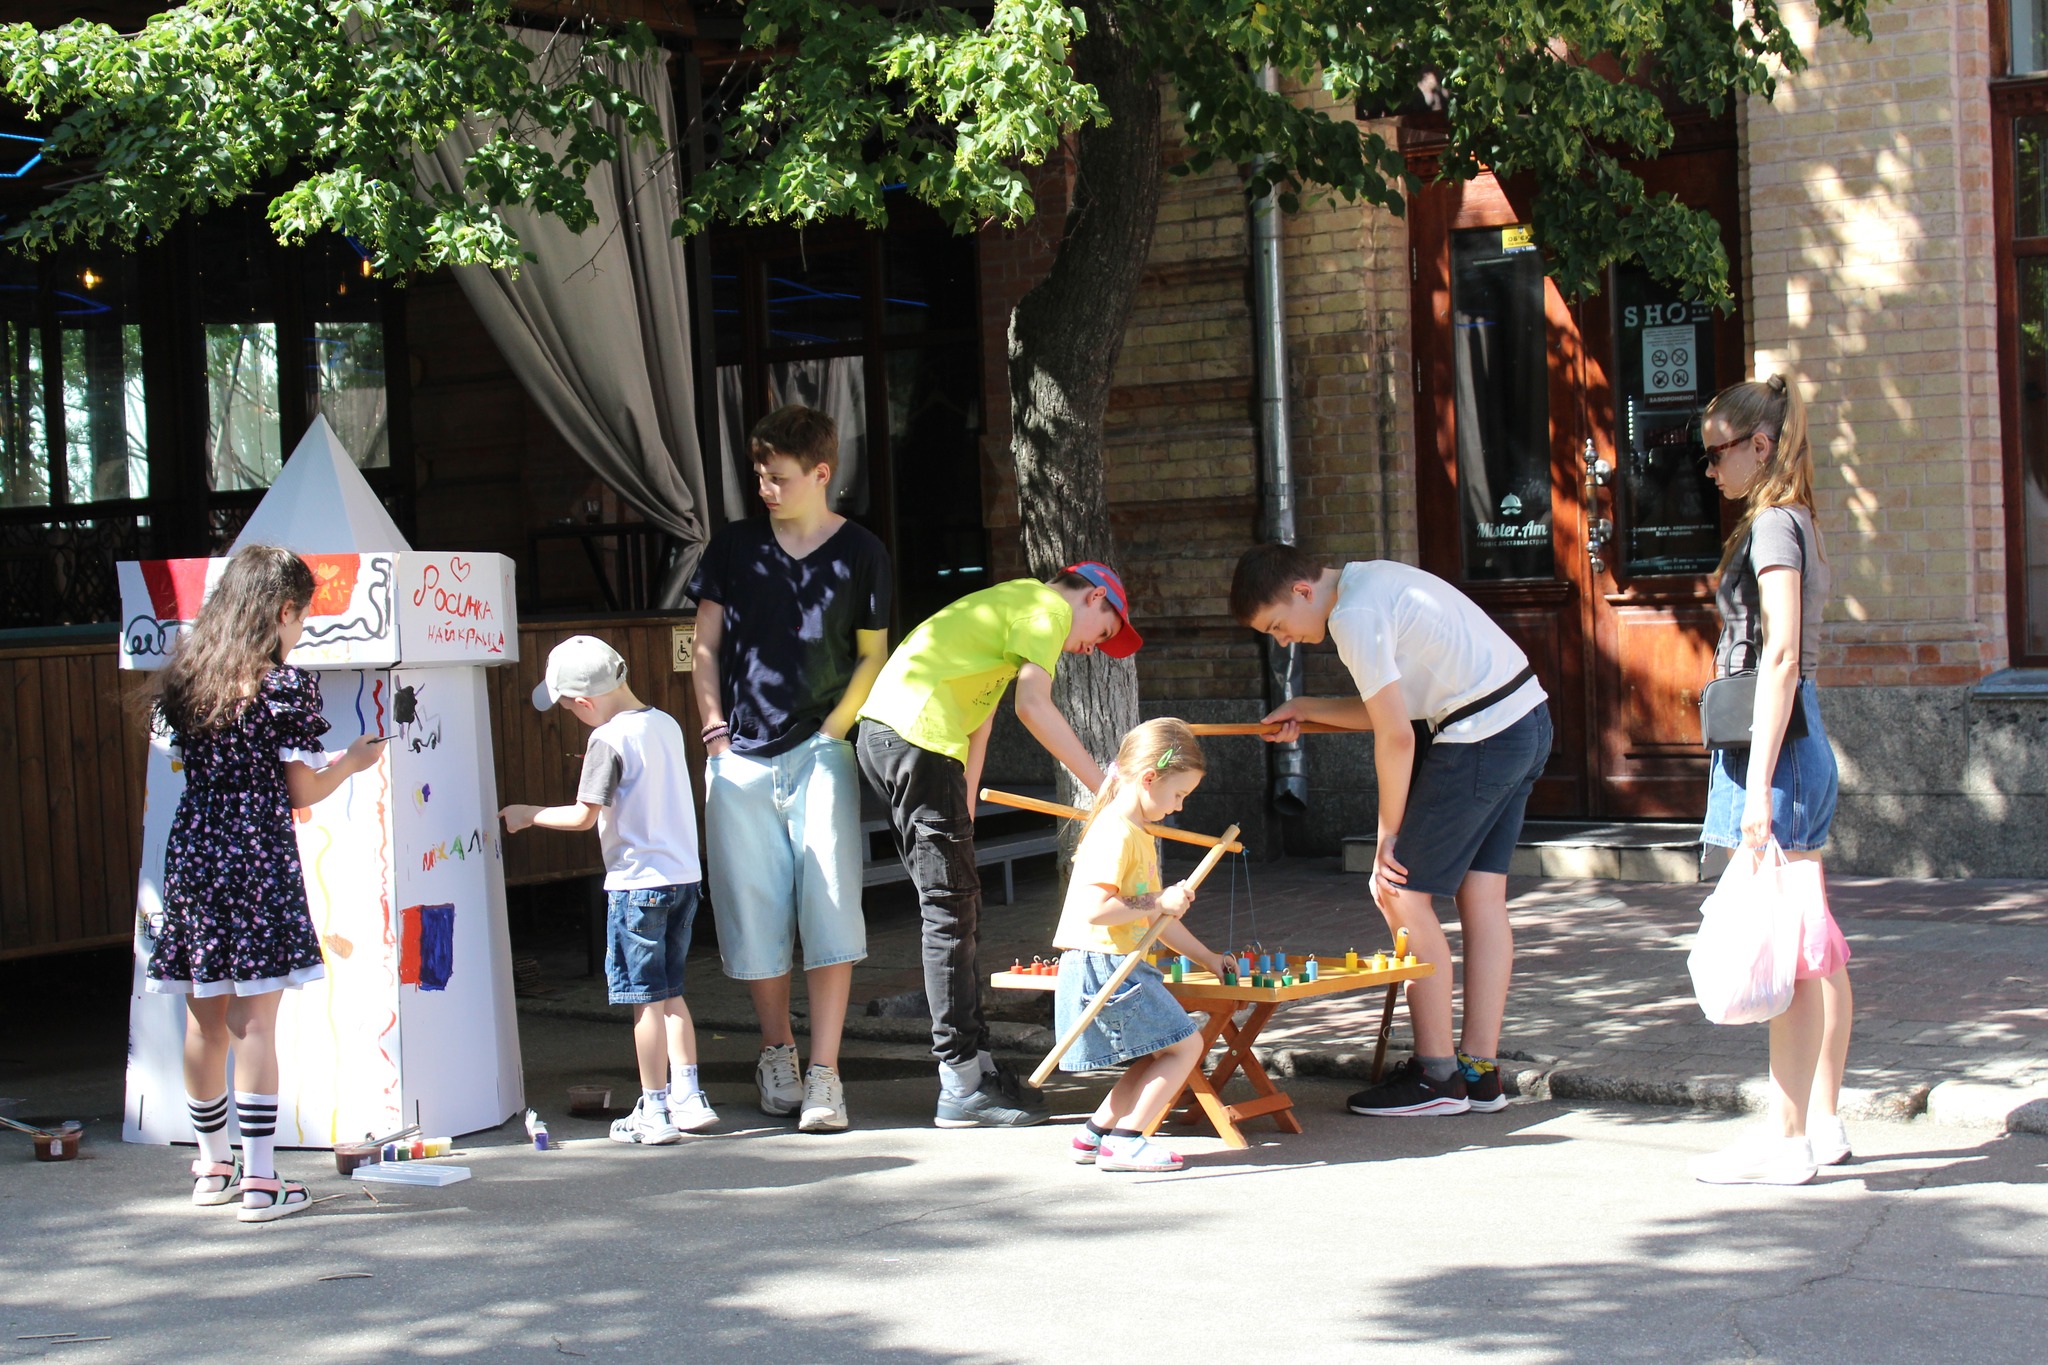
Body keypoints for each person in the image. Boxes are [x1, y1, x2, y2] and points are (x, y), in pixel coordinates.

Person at [1230, 543, 1552, 1118]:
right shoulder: (1371, 580)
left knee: (1397, 890)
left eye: (1279, 625)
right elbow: (1394, 713)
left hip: (1478, 735)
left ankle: (1435, 1077)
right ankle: (1479, 1074)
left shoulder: (1352, 616)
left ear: (1303, 591)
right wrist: (1309, 707)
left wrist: (1387, 837)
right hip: (1524, 721)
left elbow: (1397, 738)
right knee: (1481, 895)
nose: (1283, 640)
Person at [857, 563, 1142, 1128]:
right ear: (1093, 598)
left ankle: (976, 1066)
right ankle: (961, 1083)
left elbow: (979, 725)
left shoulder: (1008, 612)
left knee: (959, 907)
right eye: (1103, 632)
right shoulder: (1047, 608)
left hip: (893, 739)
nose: (1089, 649)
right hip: (917, 741)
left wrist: (962, 812)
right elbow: (1032, 707)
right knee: (949, 917)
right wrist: (1101, 787)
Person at [147, 544, 384, 1222]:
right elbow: (301, 786)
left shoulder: (187, 679)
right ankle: (260, 1179)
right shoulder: (283, 685)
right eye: (301, 619)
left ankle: (211, 1163)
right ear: (282, 611)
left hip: (195, 850)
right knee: (256, 1020)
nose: (300, 632)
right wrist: (353, 762)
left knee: (206, 1016)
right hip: (255, 854)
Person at [691, 405, 890, 1133]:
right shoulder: (736, 547)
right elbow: (705, 644)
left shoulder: (861, 551)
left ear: (821, 474)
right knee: (752, 909)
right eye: (759, 475)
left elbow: (874, 652)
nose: (765, 488)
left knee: (830, 906)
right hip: (739, 751)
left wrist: (835, 731)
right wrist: (714, 731)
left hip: (820, 750)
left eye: (777, 477)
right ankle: (778, 1051)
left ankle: (826, 1071)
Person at [1689, 373, 1853, 1187]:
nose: (1711, 470)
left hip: (1778, 745)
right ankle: (1819, 1122)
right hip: (1796, 737)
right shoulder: (1797, 521)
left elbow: (1779, 655)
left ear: (1760, 445)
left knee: (1786, 952)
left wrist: (1754, 786)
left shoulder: (1774, 529)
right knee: (1814, 948)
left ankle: (1788, 1140)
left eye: (1719, 453)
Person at [501, 636, 716, 1146]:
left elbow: (582, 817)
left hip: (636, 886)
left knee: (644, 1001)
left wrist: (526, 815)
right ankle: (689, 1097)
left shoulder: (607, 739)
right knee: (671, 993)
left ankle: (655, 1111)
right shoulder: (664, 723)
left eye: (567, 707)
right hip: (683, 878)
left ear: (583, 702)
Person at [1052, 719, 1232, 1173]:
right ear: (1149, 778)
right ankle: (1128, 1141)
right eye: (1178, 795)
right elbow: (1096, 908)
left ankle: (1094, 1136)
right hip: (1105, 964)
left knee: (1161, 1049)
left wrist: (1207, 957)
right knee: (1186, 1047)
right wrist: (1158, 898)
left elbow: (1155, 922)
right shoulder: (1117, 831)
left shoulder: (1134, 832)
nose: (1178, 807)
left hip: (1111, 962)